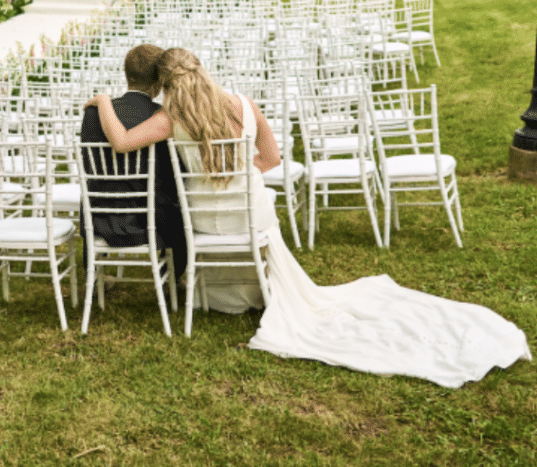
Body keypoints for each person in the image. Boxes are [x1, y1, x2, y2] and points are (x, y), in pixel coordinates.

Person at [86, 47, 531, 388]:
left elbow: (121, 142)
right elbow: (272, 159)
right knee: (261, 210)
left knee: (195, 212)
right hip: (251, 215)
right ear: (202, 70)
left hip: (203, 221)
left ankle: (219, 296)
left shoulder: (170, 117)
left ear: (165, 85)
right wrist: (236, 174)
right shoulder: (244, 105)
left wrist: (103, 101)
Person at [79, 43, 186, 280]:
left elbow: (90, 165)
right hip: (150, 219)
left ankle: (94, 274)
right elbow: (173, 172)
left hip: (99, 217)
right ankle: (176, 274)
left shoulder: (93, 113)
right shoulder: (161, 116)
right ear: (159, 82)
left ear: (126, 75)